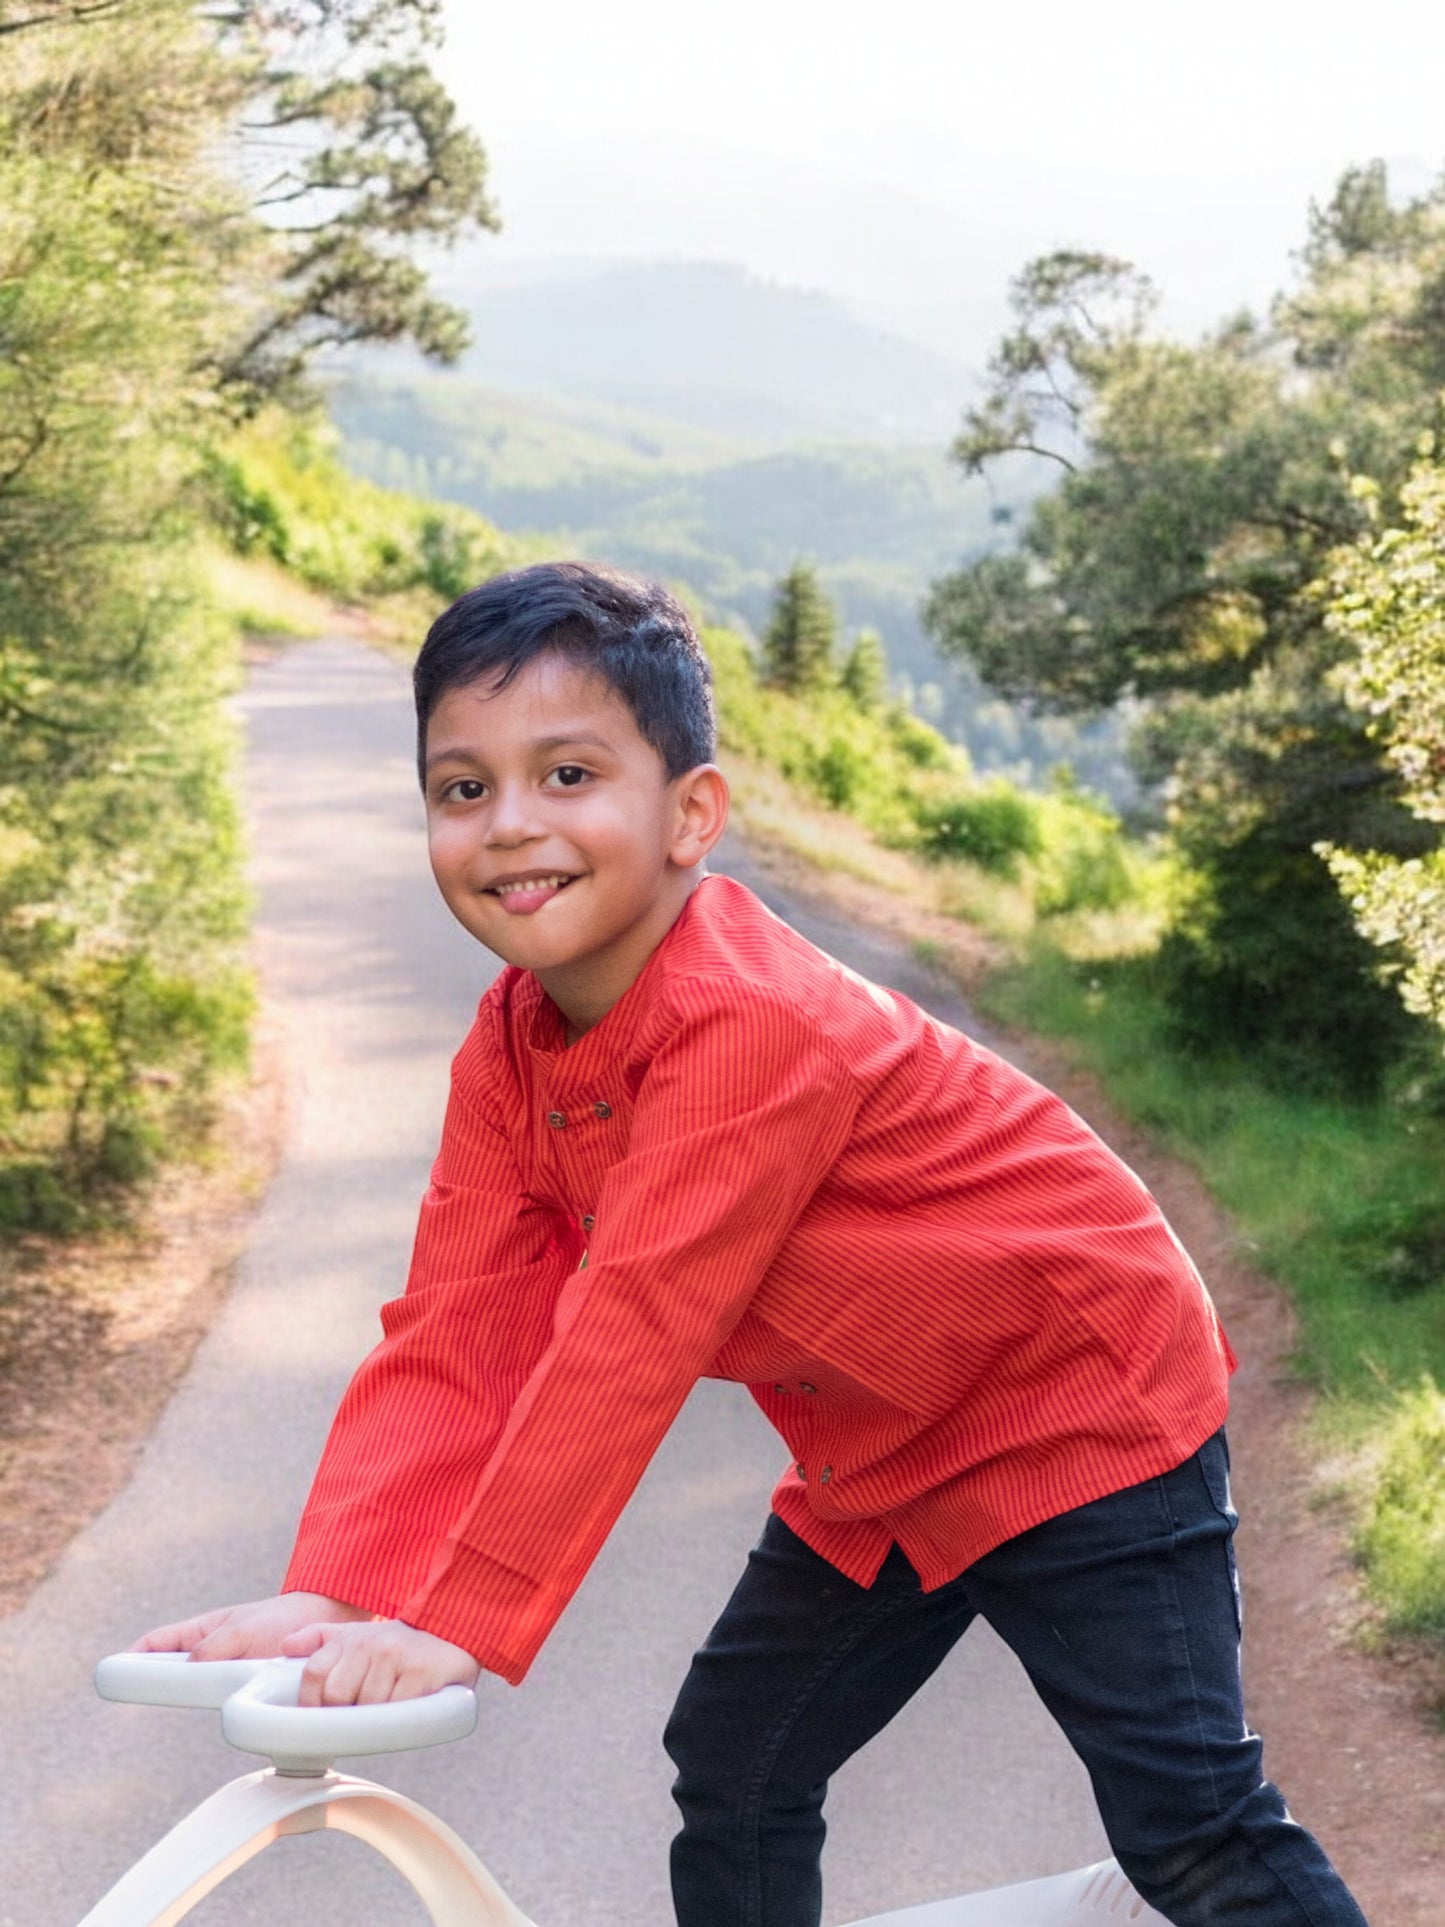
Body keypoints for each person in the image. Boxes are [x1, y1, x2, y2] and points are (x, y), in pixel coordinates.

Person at [135, 561, 1368, 1927]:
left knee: (1188, 1828)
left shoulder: (745, 1022)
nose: (509, 826)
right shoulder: (508, 1041)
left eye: (567, 774)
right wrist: (341, 1589)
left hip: (1075, 1409)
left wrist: (454, 1622)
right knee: (734, 1766)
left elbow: (628, 1336)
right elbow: (459, 1327)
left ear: (691, 813)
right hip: (884, 1444)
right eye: (462, 788)